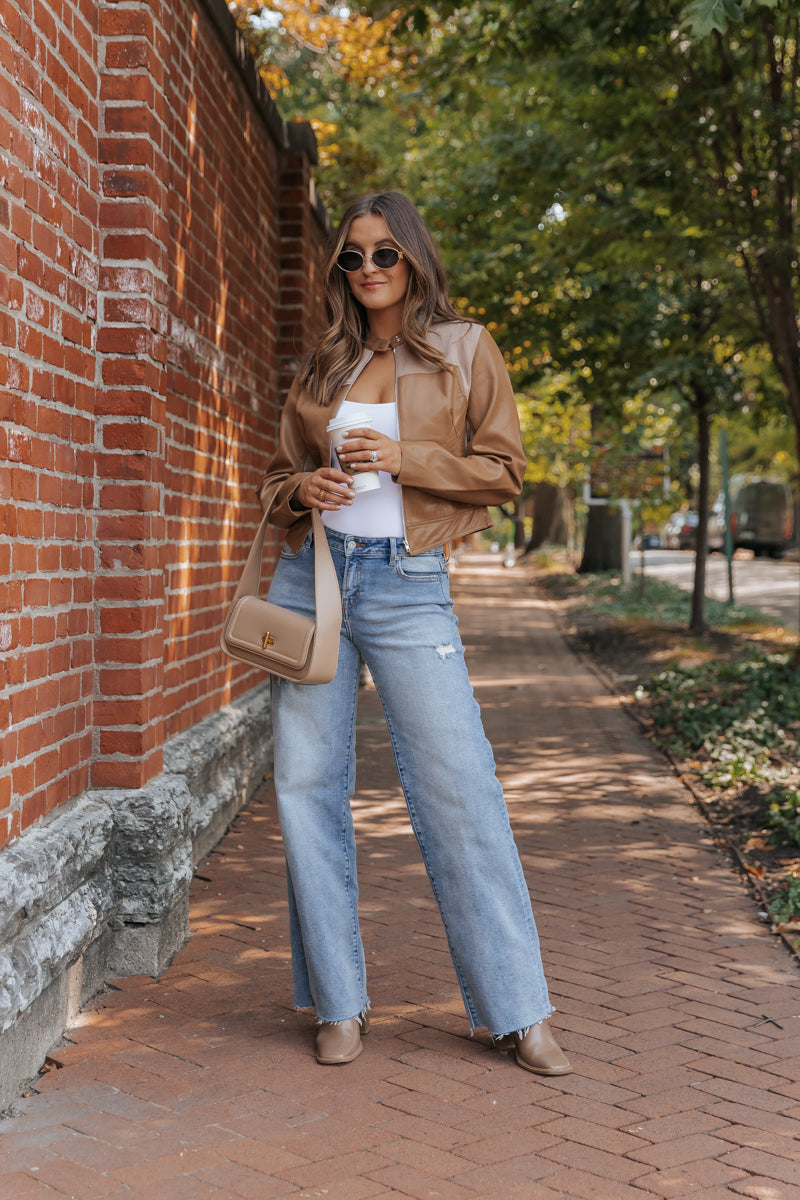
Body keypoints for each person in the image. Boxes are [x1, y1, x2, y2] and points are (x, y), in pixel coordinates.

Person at [257, 191, 571, 1075]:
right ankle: (336, 1003)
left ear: (416, 259)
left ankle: (519, 1009)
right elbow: (278, 474)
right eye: (351, 258)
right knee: (305, 786)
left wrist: (404, 459)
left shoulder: (466, 348)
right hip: (312, 579)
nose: (366, 271)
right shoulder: (325, 361)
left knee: (459, 785)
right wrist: (302, 490)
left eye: (383, 254)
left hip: (408, 583)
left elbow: (504, 470)